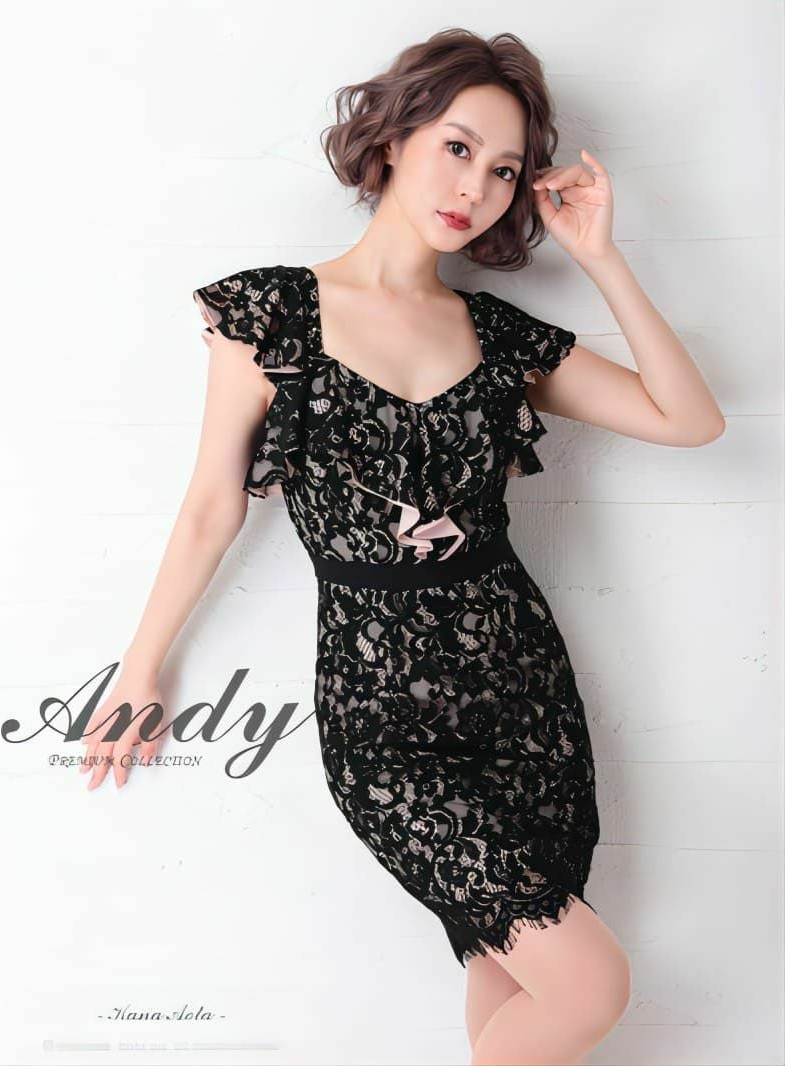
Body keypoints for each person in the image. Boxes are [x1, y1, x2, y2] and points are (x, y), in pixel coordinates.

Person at [79, 28, 725, 1066]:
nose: (476, 186)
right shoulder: (272, 315)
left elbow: (688, 420)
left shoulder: (499, 337)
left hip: (523, 699)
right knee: (592, 984)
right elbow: (209, 506)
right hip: (385, 722)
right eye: (458, 147)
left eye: (504, 169)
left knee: (517, 999)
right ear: (392, 138)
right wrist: (141, 665)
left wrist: (601, 258)